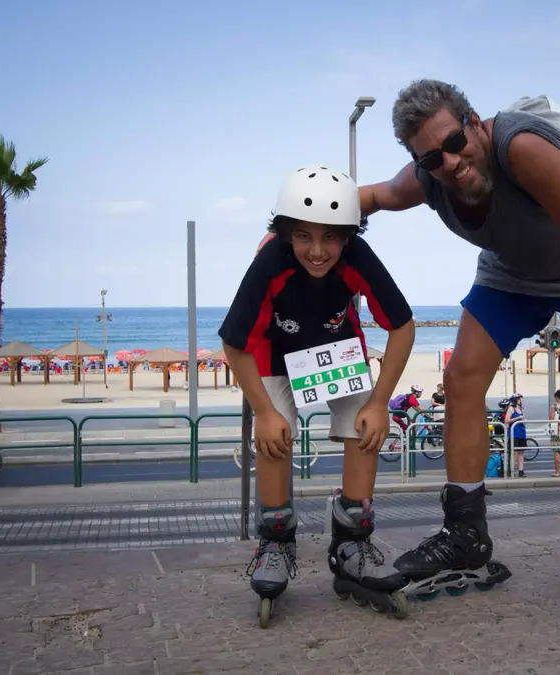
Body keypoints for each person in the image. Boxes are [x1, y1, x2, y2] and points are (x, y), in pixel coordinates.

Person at [359, 79, 560, 618]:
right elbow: (375, 196)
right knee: (461, 381)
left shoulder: (523, 149)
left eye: (455, 141)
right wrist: (292, 227)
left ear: (475, 122)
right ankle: (465, 534)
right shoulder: (430, 179)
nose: (450, 161)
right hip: (511, 273)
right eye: (431, 157)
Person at [218, 164, 416, 624]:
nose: (318, 250)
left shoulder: (357, 255)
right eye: (304, 236)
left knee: (363, 428)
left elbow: (403, 326)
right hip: (273, 353)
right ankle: (275, 543)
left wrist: (379, 402)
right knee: (275, 437)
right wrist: (264, 411)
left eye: (331, 238)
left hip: (335, 347)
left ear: (350, 235)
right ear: (285, 232)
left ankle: (352, 541)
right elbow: (234, 341)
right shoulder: (270, 261)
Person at [503, 393, 527, 477]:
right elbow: (506, 420)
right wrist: (517, 418)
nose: (522, 400)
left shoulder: (520, 409)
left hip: (521, 433)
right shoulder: (511, 408)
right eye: (520, 398)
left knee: (521, 452)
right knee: (514, 452)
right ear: (516, 400)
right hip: (514, 433)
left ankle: (521, 470)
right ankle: (511, 470)